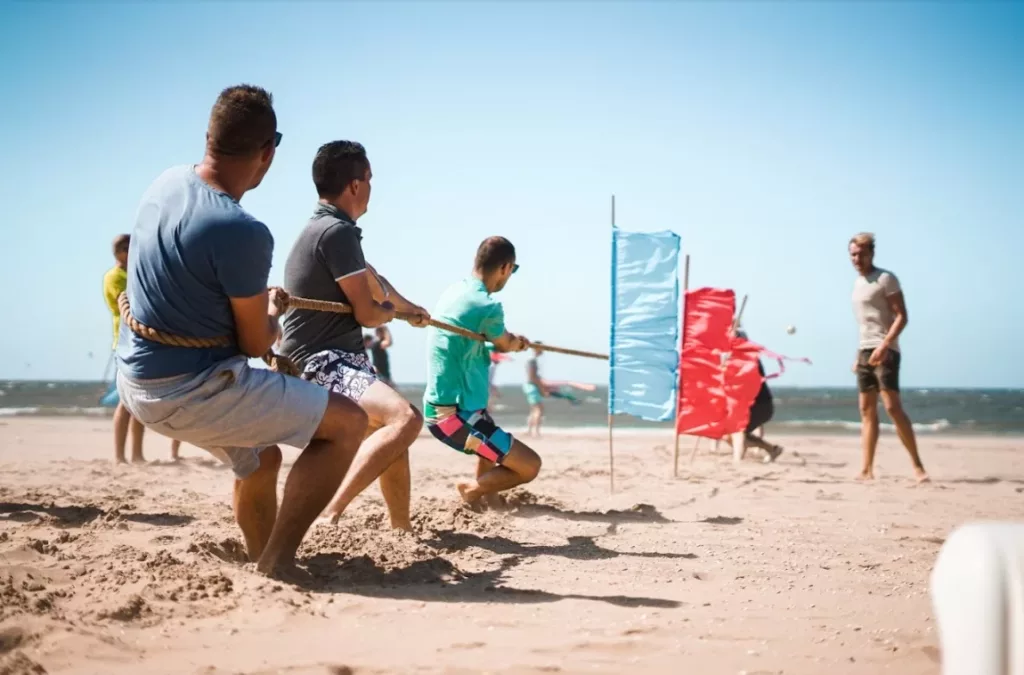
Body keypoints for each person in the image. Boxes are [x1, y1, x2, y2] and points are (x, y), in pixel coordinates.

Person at [115, 85, 369, 577]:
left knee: (261, 459)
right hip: (189, 391)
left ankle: (260, 557)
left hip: (138, 382)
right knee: (349, 425)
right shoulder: (242, 230)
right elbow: (255, 343)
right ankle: (278, 562)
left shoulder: (164, 184)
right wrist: (270, 313)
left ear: (209, 136)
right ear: (267, 152)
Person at [278, 140, 429, 531]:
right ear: (356, 185)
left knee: (392, 432)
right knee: (406, 419)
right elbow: (368, 311)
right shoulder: (336, 232)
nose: (372, 187)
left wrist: (411, 311)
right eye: (370, 178)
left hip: (331, 359)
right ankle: (330, 512)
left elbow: (376, 285)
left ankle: (401, 529)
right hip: (321, 361)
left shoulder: (329, 230)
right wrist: (390, 315)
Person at [423, 237, 541, 508]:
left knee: (489, 443)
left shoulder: (455, 292)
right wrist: (516, 342)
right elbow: (504, 342)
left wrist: (508, 340)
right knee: (530, 466)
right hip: (452, 417)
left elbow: (470, 340)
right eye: (513, 270)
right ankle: (471, 490)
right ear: (505, 267)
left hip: (452, 407)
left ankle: (488, 504)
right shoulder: (487, 306)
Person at [849, 232, 928, 482]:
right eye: (853, 254)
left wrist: (885, 346)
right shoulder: (857, 283)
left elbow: (902, 316)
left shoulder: (885, 279)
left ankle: (917, 466)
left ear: (871, 253)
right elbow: (865, 323)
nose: (857, 258)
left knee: (893, 408)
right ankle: (866, 469)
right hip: (864, 350)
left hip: (886, 350)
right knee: (866, 410)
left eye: (861, 254)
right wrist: (859, 354)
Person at [102, 234, 180, 463]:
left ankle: (137, 454)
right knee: (124, 402)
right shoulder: (115, 277)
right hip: (125, 343)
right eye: (128, 248)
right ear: (119, 252)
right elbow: (127, 304)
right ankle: (119, 456)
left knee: (138, 402)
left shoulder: (135, 273)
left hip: (144, 342)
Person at [522, 344, 596, 437]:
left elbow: (534, 377)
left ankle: (529, 431)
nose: (542, 352)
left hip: (532, 386)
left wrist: (544, 387)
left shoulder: (532, 360)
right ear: (536, 350)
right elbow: (532, 377)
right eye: (541, 349)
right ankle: (535, 432)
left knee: (534, 409)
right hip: (533, 386)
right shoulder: (532, 361)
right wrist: (542, 389)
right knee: (539, 409)